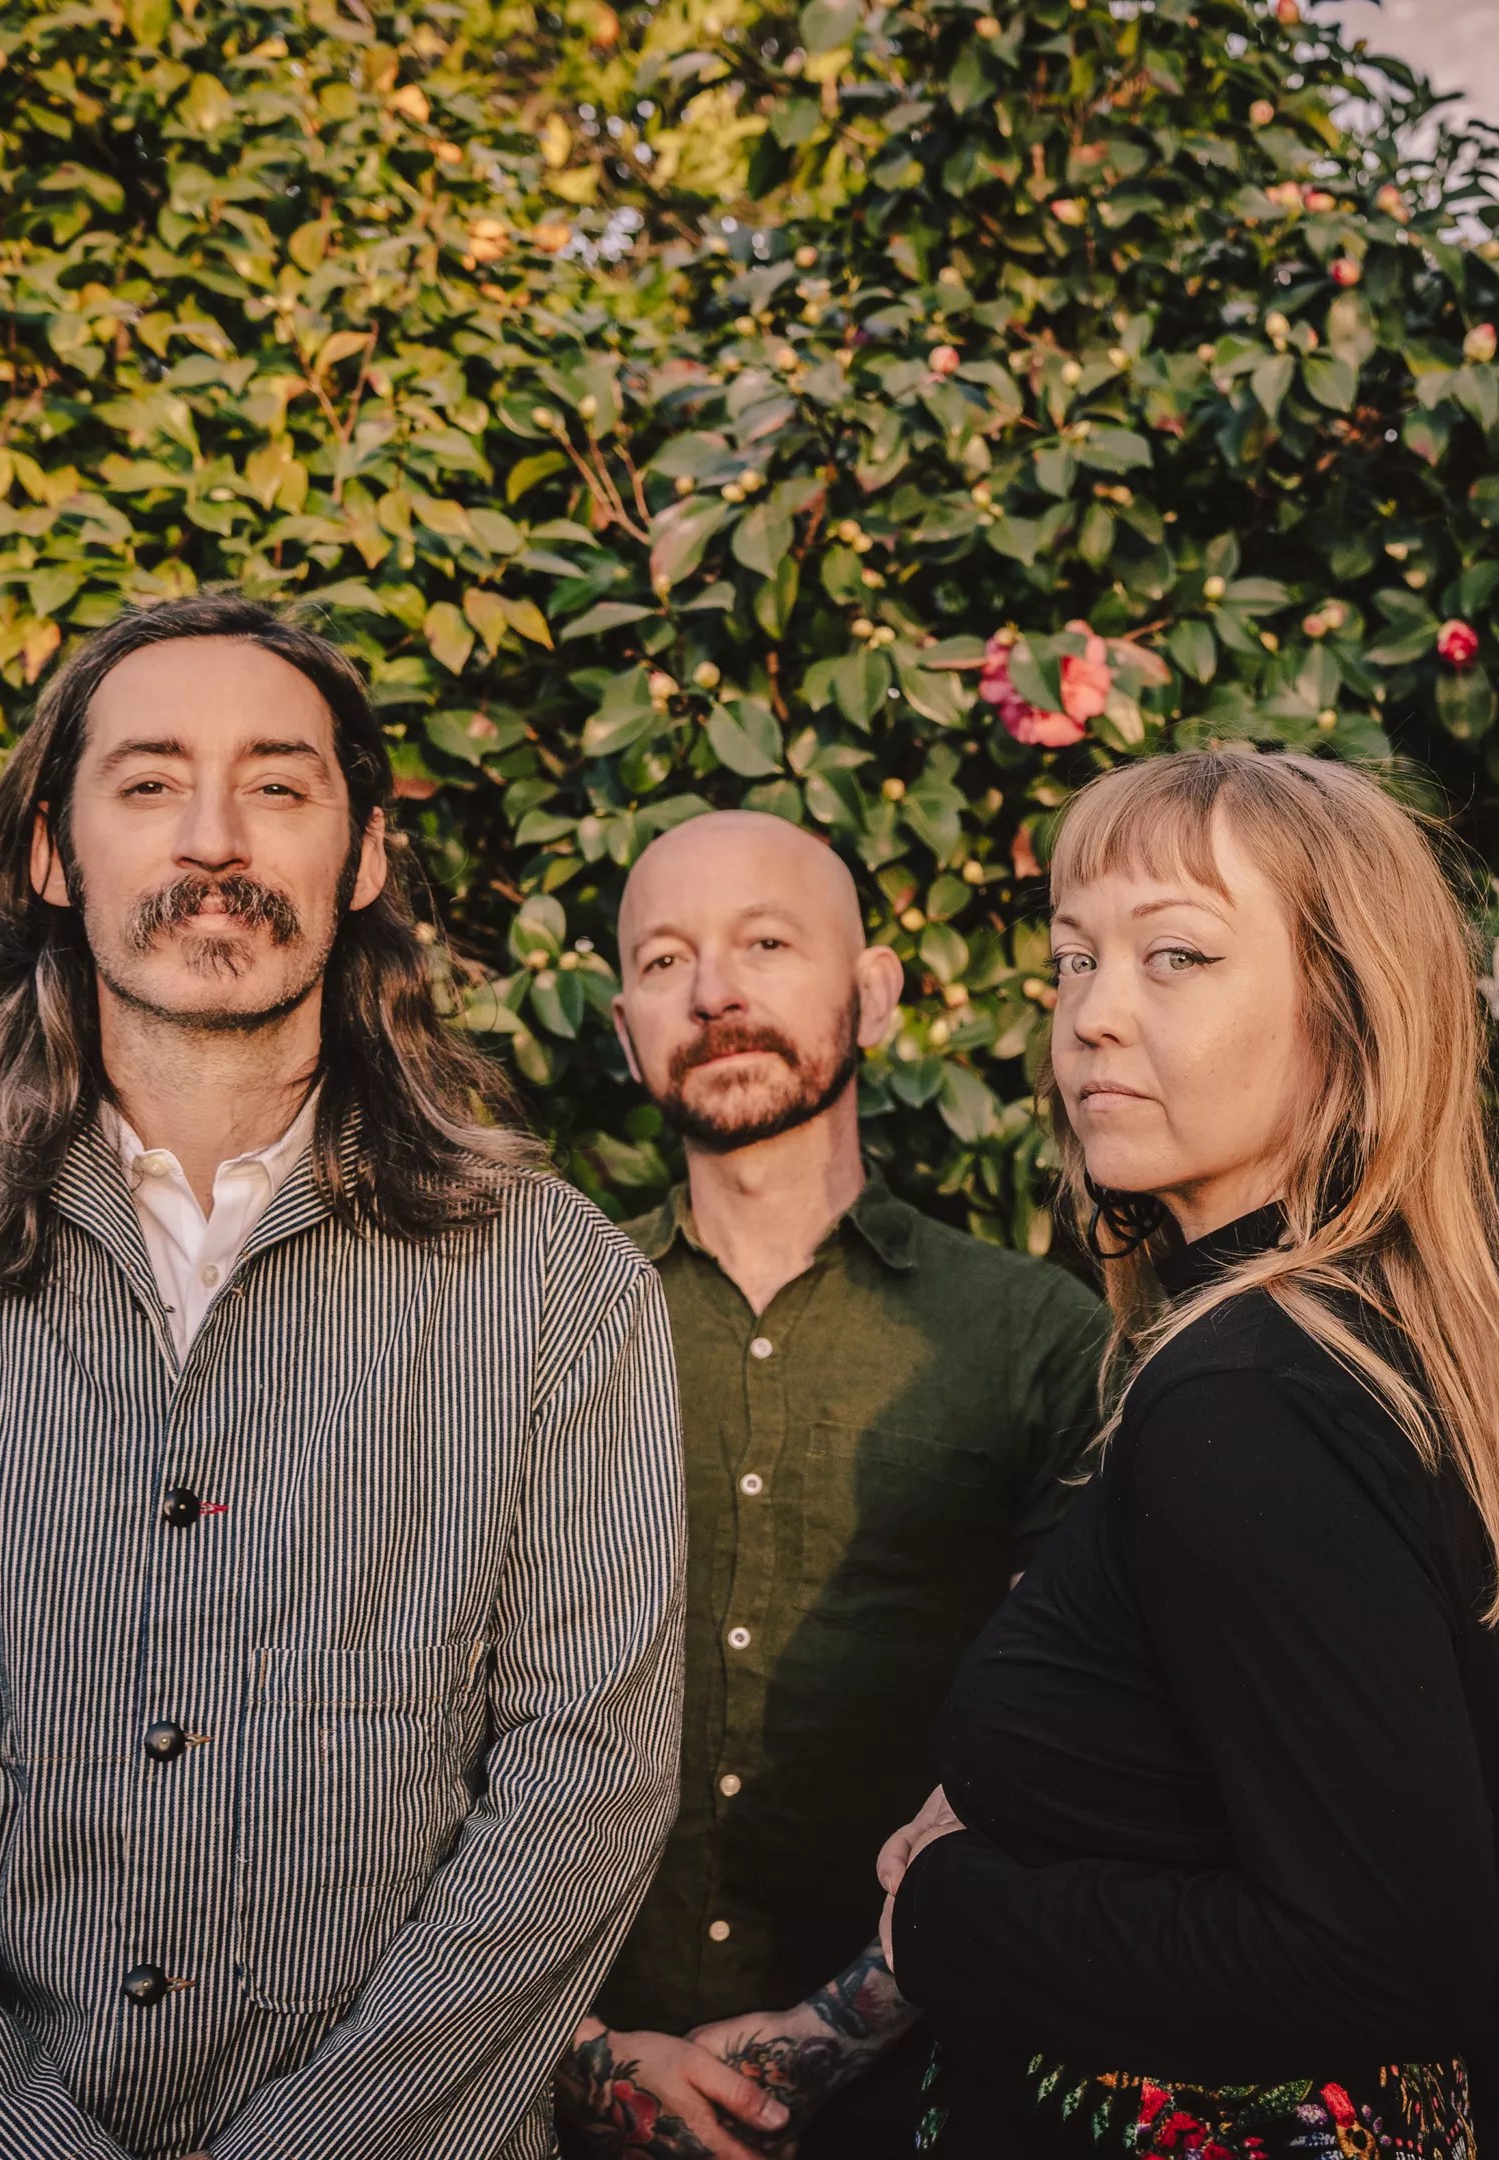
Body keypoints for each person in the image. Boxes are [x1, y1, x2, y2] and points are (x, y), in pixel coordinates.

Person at [0, 593, 686, 2160]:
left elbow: (584, 1793)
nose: (215, 839)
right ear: (52, 852)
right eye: (150, 782)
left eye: (278, 785)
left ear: (363, 856)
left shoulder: (562, 1287)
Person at [878, 748, 1499, 2159]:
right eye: (1074, 960)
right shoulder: (1329, 1342)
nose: (1093, 1015)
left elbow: (1382, 1957)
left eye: (1176, 956)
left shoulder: (1248, 1395)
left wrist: (944, 1913)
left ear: (1350, 1022)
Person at [554, 812, 1111, 2160]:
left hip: (933, 2105)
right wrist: (578, 2055)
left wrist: (836, 2029)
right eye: (667, 959)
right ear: (625, 1028)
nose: (715, 993)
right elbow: (417, 1731)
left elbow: (1087, 1741)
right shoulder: (533, 1327)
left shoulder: (1036, 1336)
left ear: (873, 994)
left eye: (765, 944)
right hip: (554, 2100)